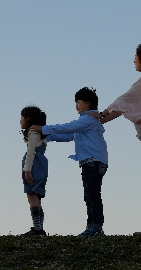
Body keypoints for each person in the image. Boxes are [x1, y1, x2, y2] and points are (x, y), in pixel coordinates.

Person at [93, 43, 141, 236]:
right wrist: (103, 119)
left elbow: (124, 101)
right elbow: (126, 106)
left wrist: (101, 115)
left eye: (136, 56)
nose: (133, 60)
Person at [30, 87, 109, 237]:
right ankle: (92, 226)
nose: (76, 105)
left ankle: (96, 226)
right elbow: (69, 135)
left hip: (94, 162)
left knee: (92, 195)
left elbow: (68, 128)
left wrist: (44, 129)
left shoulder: (89, 119)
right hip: (89, 162)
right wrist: (47, 137)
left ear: (87, 103)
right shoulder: (85, 122)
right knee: (89, 195)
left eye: (78, 102)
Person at [20, 105, 48, 236]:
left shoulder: (32, 133)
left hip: (33, 165)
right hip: (42, 165)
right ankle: (39, 227)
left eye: (22, 118)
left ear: (28, 119)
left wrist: (27, 170)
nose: (20, 121)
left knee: (31, 195)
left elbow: (31, 153)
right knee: (37, 197)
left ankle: (37, 229)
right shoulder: (42, 134)